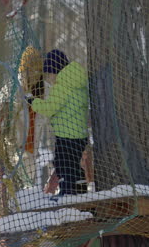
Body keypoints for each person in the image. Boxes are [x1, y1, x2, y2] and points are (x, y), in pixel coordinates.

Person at [27, 49, 89, 200]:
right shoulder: (77, 80)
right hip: (80, 134)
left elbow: (50, 108)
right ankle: (80, 191)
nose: (51, 77)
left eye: (51, 72)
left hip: (66, 134)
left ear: (55, 68)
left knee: (63, 164)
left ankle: (67, 193)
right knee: (73, 164)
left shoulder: (63, 85)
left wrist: (32, 101)